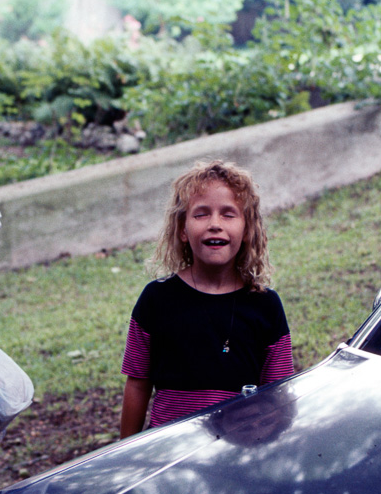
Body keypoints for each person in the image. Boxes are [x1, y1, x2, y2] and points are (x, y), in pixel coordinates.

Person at [119, 160, 294, 438]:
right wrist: (124, 455)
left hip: (238, 449)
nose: (215, 224)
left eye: (228, 214)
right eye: (201, 214)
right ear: (182, 230)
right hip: (168, 448)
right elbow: (138, 384)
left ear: (248, 229)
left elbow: (279, 393)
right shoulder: (156, 299)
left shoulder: (265, 305)